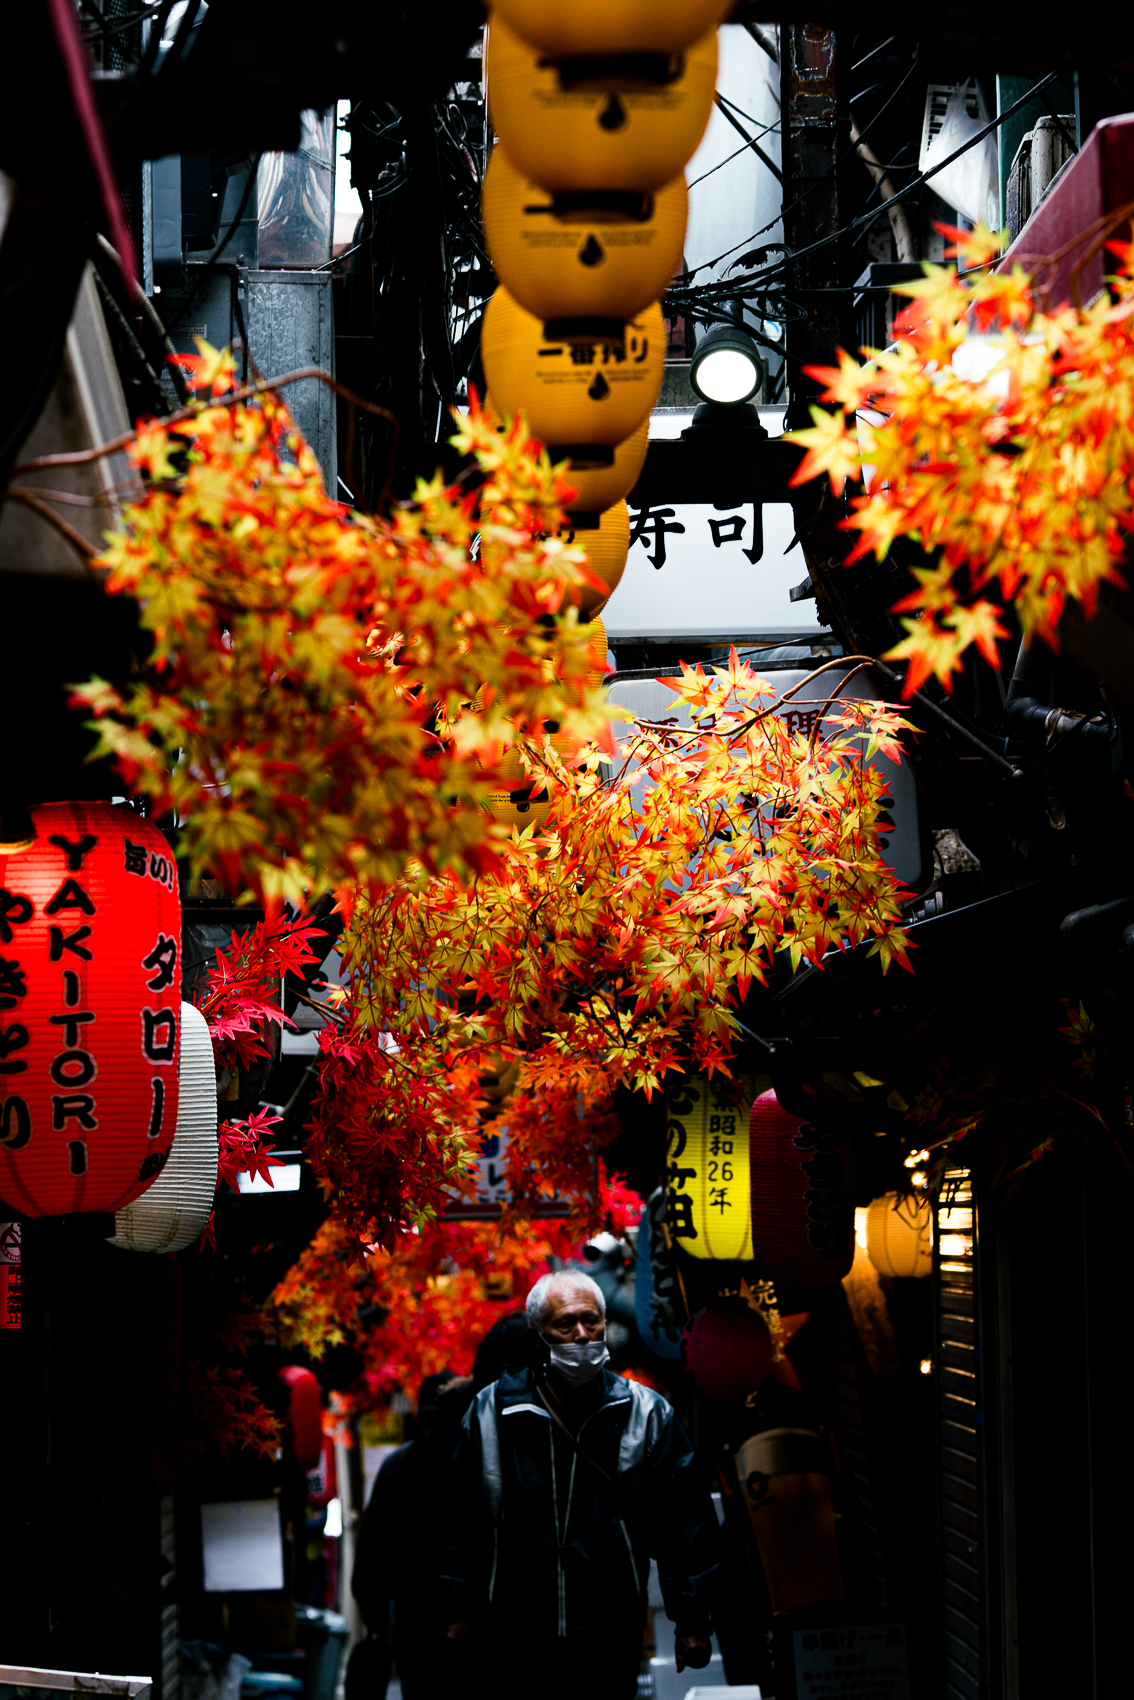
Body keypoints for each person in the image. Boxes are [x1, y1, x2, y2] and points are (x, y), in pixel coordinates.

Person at [439, 1270, 719, 1700]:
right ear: (538, 1338)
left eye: (592, 1321)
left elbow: (685, 1521)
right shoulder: (489, 1412)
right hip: (515, 1628)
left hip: (611, 1626)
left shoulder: (646, 1412)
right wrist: (458, 1611)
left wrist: (693, 1620)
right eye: (566, 1324)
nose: (583, 1335)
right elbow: (457, 1520)